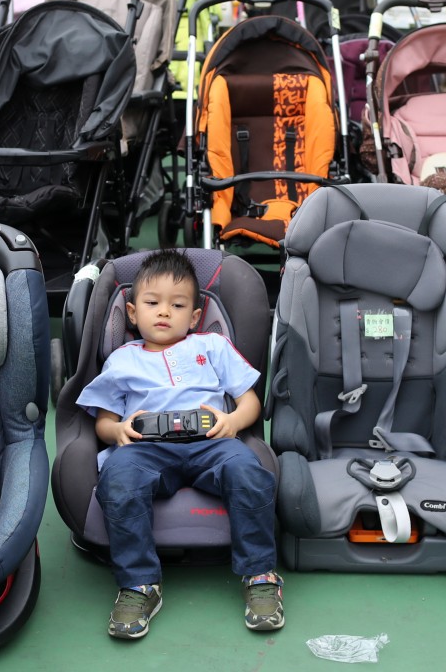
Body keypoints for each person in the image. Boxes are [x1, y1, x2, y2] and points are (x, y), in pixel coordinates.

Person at [77, 249, 282, 640]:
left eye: (178, 305)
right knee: (118, 480)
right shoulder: (121, 360)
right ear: (133, 313)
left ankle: (260, 574)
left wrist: (232, 422)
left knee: (248, 473)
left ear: (194, 315)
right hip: (145, 447)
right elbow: (102, 420)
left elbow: (250, 401)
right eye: (153, 303)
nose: (164, 312)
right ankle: (139, 584)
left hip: (212, 441)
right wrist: (118, 431)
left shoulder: (212, 347)